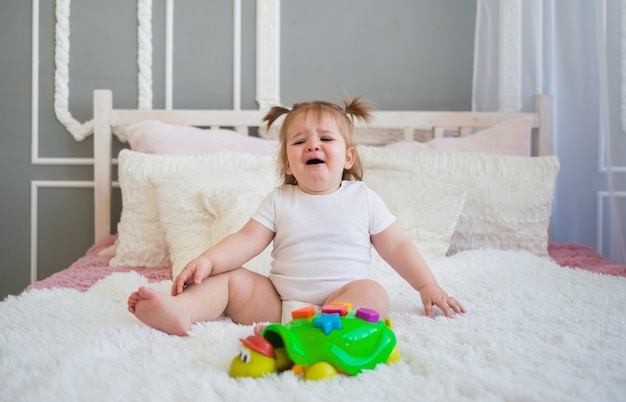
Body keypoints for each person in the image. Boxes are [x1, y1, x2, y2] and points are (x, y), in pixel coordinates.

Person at [127, 97, 465, 336]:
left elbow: (398, 245)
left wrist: (427, 284)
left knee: (373, 293)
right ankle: (182, 311)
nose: (313, 146)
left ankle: (317, 332)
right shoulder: (280, 200)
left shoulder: (363, 199)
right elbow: (245, 241)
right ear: (288, 163)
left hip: (339, 304)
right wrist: (209, 261)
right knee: (230, 279)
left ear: (348, 157)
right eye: (300, 141)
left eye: (326, 139)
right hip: (279, 304)